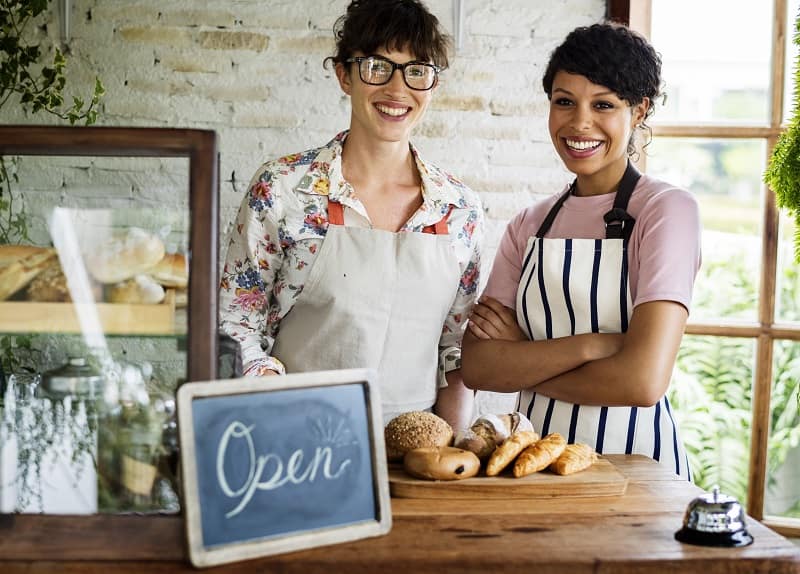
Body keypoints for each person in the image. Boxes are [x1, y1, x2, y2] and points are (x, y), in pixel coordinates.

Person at [219, 0, 483, 430]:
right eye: (377, 66)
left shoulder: (458, 209)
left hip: (416, 455)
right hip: (295, 440)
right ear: (344, 75)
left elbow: (454, 348)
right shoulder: (283, 188)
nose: (398, 90)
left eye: (417, 70)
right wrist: (274, 408)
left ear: (433, 85)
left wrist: (456, 451)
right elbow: (236, 324)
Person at [461, 22, 701, 479]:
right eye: (564, 101)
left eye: (603, 105)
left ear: (640, 109)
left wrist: (524, 357)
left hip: (635, 469)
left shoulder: (667, 212)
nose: (579, 123)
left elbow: (643, 381)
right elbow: (478, 367)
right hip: (531, 466)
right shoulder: (529, 225)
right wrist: (596, 345)